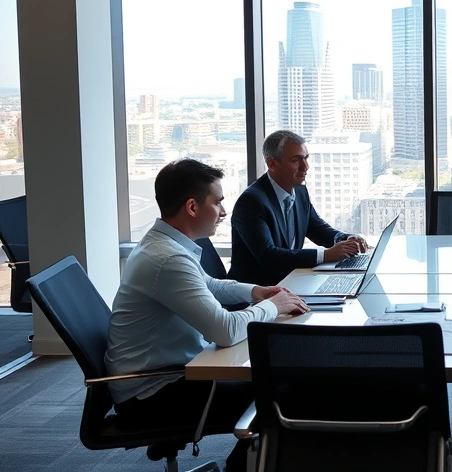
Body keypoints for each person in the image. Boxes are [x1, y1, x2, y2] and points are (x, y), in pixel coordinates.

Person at [105, 159, 310, 472]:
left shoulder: (165, 244)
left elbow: (209, 285)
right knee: (279, 392)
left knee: (273, 379)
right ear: (192, 207)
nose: (224, 212)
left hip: (167, 375)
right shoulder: (168, 259)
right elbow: (225, 331)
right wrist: (274, 306)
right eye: (217, 202)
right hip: (154, 395)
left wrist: (257, 292)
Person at [228, 130, 369, 286]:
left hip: (291, 282)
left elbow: (317, 228)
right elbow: (268, 256)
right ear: (272, 164)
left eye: (306, 159)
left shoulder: (300, 191)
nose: (305, 167)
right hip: (256, 294)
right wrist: (326, 255)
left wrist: (345, 239)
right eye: (296, 160)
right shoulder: (251, 201)